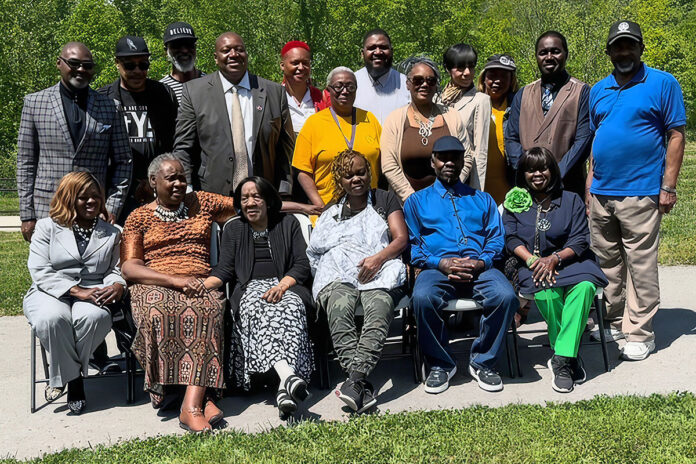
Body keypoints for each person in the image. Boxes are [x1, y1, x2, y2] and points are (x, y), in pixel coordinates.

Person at [587, 20, 686, 361]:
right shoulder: (598, 90)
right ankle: (614, 321)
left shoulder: (663, 83)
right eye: (618, 46)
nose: (624, 51)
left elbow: (676, 135)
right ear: (609, 52)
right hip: (601, 193)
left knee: (640, 264)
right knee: (607, 264)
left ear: (641, 48)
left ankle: (641, 332)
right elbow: (596, 140)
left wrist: (668, 186)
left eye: (630, 45)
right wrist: (589, 186)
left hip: (642, 191)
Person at [120, 154, 236, 432]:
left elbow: (250, 204)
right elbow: (130, 267)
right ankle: (201, 397)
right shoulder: (138, 217)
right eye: (171, 178)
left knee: (208, 309)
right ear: (153, 181)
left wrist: (308, 208)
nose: (179, 183)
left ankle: (190, 406)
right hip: (155, 284)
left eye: (182, 177)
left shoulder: (202, 202)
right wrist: (173, 281)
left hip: (198, 281)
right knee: (159, 311)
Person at [404, 136, 518, 394]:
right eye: (443, 157)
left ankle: (483, 362)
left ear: (462, 161)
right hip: (436, 270)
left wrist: (480, 262)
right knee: (422, 297)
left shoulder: (483, 199)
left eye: (455, 157)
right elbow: (413, 246)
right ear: (432, 162)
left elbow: (496, 239)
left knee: (506, 296)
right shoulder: (416, 202)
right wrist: (440, 263)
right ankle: (441, 364)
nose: (449, 162)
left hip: (480, 269)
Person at [201, 177, 314, 419]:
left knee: (291, 309)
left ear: (268, 200)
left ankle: (285, 384)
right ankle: (288, 378)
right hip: (250, 288)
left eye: (256, 197)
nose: (250, 203)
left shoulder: (288, 223)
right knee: (255, 307)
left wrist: (283, 285)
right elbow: (224, 270)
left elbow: (303, 264)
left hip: (288, 286)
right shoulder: (234, 228)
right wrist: (200, 286)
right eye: (244, 198)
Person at [307, 150, 407, 413]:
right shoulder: (332, 211)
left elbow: (400, 239)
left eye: (361, 172)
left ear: (369, 172)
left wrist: (377, 259)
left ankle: (353, 381)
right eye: (348, 175)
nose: (356, 179)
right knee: (339, 309)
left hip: (380, 268)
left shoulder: (384, 198)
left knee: (379, 308)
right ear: (340, 180)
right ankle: (360, 383)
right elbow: (318, 247)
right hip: (338, 272)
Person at [502, 148, 607, 393]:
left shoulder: (570, 200)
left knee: (584, 288)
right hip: (532, 264)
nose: (537, 174)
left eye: (543, 168)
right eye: (530, 169)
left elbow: (580, 239)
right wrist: (532, 261)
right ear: (523, 174)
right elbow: (511, 238)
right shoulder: (514, 201)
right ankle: (569, 357)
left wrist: (554, 258)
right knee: (547, 292)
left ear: (553, 170)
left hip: (572, 261)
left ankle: (561, 359)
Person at [24, 171, 126, 415]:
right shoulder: (47, 227)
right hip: (49, 290)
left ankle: (64, 375)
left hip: (95, 289)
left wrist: (115, 285)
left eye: (96, 197)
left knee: (96, 318)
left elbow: (115, 269)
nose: (91, 202)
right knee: (52, 319)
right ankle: (75, 382)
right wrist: (76, 291)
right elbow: (40, 270)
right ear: (69, 198)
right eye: (83, 197)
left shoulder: (112, 232)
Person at [16, 41, 132, 241]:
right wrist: (27, 214)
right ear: (59, 63)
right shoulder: (34, 103)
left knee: (94, 270)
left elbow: (124, 161)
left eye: (87, 66)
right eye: (74, 63)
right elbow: (26, 162)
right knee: (49, 270)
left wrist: (111, 207)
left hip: (94, 209)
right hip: (48, 207)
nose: (81, 69)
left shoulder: (111, 107)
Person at [173, 32, 294, 197]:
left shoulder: (274, 92)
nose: (234, 55)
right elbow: (183, 148)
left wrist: (284, 191)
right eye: (226, 50)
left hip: (263, 196)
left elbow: (285, 149)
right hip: (211, 196)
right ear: (216, 57)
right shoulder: (194, 92)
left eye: (239, 50)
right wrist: (186, 190)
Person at [99, 36, 178, 223]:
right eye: (129, 65)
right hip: (117, 192)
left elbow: (172, 144)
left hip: (157, 189)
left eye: (143, 65)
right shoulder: (104, 98)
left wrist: (155, 180)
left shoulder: (164, 94)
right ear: (117, 63)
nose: (137, 71)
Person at [505, 31, 592, 196]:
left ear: (566, 54)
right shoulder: (523, 94)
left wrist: (555, 175)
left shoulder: (581, 92)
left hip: (568, 188)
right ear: (537, 56)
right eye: (543, 52)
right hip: (528, 190)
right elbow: (511, 138)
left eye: (555, 51)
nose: (549, 57)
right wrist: (527, 174)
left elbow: (583, 141)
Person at [381, 56, 470, 203]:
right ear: (408, 84)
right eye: (417, 80)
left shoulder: (452, 116)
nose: (424, 85)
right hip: (407, 205)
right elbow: (389, 164)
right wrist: (412, 199)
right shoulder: (395, 119)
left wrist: (450, 189)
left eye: (431, 81)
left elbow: (466, 157)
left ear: (436, 86)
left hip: (450, 202)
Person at [292, 67, 382, 213]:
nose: (345, 91)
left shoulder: (369, 119)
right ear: (328, 90)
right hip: (328, 210)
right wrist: (320, 205)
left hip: (369, 209)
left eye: (350, 86)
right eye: (338, 86)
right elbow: (302, 170)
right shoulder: (313, 124)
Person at [439, 44, 491, 190]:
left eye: (471, 67)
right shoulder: (438, 99)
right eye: (460, 68)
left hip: (464, 180)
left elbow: (480, 151)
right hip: (438, 179)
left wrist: (476, 192)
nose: (467, 73)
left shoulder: (480, 100)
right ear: (448, 68)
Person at [477, 54, 518, 204]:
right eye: (492, 75)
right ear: (483, 78)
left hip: (510, 190)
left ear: (511, 80)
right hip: (478, 189)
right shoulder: (472, 105)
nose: (497, 81)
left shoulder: (518, 107)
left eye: (504, 76)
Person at [353, 29, 410, 124]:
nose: (378, 52)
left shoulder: (407, 85)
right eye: (372, 48)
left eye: (383, 47)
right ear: (362, 54)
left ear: (391, 51)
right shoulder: (350, 84)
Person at [280, 40, 330, 135]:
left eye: (305, 63)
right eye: (295, 63)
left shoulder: (321, 99)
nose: (301, 67)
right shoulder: (274, 98)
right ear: (282, 65)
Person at [160, 22, 206, 103]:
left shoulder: (211, 83)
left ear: (195, 47)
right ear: (165, 51)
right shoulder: (160, 90)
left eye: (189, 44)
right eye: (176, 45)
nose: (184, 50)